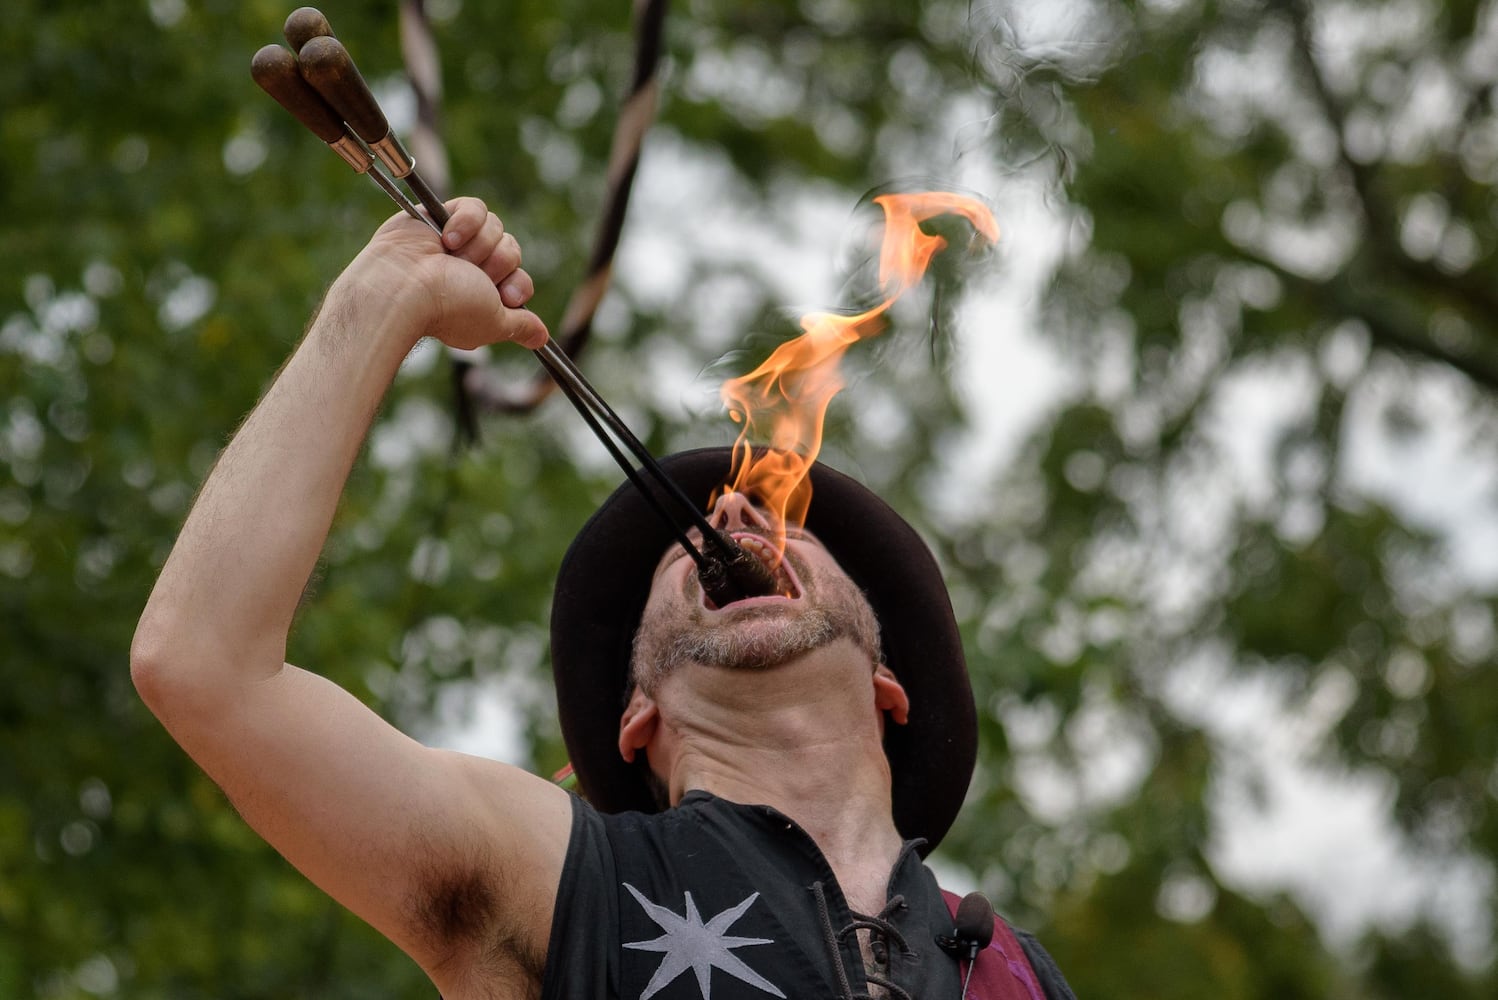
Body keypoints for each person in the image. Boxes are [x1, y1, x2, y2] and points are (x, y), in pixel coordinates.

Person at [132, 198, 1075, 999]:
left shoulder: (1017, 972)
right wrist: (384, 295)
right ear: (639, 719)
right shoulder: (558, 877)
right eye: (687, 552)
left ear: (886, 685)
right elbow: (204, 666)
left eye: (789, 524)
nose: (740, 512)